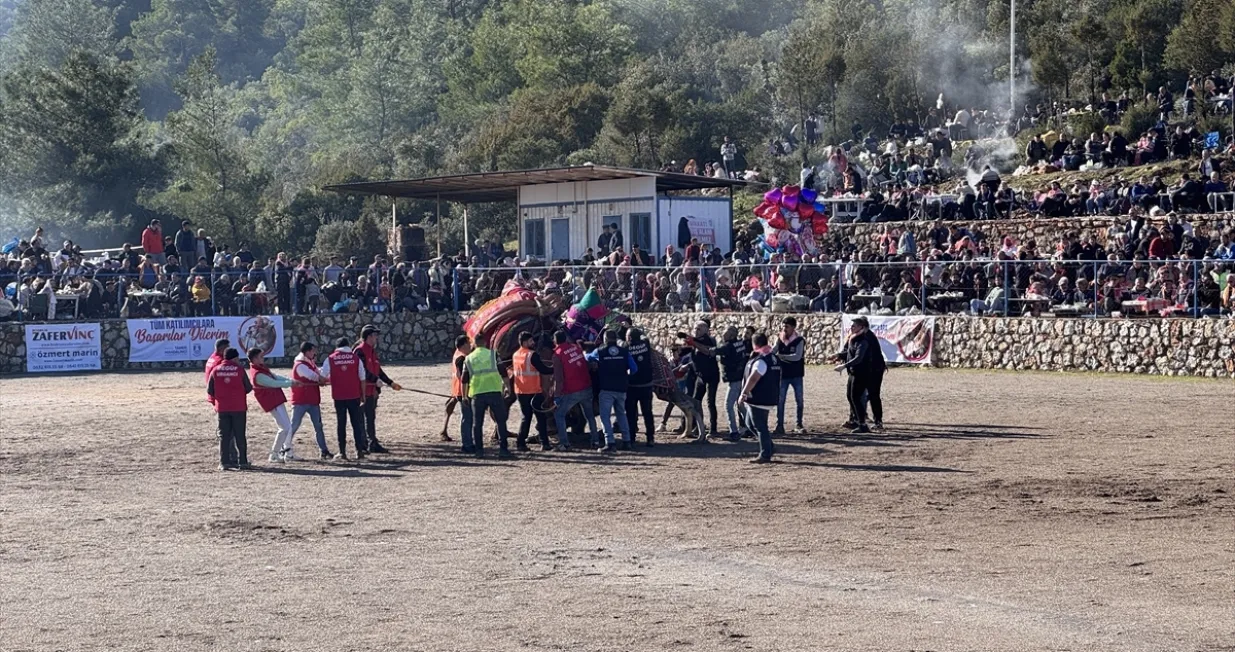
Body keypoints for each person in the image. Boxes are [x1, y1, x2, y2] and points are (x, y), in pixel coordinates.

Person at [459, 332, 512, 458]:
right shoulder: (493, 354)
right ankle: (503, 450)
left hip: (477, 394)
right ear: (485, 342)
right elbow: (503, 372)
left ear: (475, 344)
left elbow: (464, 379)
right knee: (500, 421)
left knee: (477, 424)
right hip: (494, 391)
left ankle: (479, 451)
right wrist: (508, 387)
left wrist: (464, 396)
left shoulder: (469, 358)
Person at [354, 325, 402, 454]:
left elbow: (378, 370)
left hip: (372, 392)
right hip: (362, 391)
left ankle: (372, 442)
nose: (377, 338)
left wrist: (390, 383)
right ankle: (362, 444)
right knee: (360, 419)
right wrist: (375, 380)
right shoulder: (359, 351)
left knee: (370, 418)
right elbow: (362, 370)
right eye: (375, 335)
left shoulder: (372, 351)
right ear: (369, 336)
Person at [834, 317, 887, 433]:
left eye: (855, 325)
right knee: (853, 395)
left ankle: (876, 422)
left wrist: (844, 366)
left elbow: (863, 357)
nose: (852, 327)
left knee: (871, 395)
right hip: (859, 370)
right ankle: (856, 420)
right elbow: (849, 352)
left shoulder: (867, 338)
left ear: (862, 327)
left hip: (873, 370)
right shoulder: (854, 337)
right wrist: (839, 355)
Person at [588, 329, 637, 452]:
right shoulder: (625, 352)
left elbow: (587, 358)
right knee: (621, 414)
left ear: (604, 339)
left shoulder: (599, 351)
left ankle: (610, 443)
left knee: (605, 416)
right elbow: (634, 369)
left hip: (606, 389)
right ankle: (627, 441)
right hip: (622, 389)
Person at [551, 330, 601, 451]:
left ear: (555, 341)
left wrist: (557, 396)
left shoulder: (557, 354)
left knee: (559, 414)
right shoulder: (575, 348)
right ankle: (595, 441)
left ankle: (564, 444)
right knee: (589, 416)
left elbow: (559, 379)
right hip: (586, 387)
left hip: (572, 391)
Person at [737, 333, 781, 464]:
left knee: (760, 426)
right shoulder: (772, 356)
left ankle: (765, 454)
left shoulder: (761, 359)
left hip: (760, 398)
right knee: (750, 423)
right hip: (767, 396)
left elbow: (754, 377)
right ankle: (769, 446)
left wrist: (744, 393)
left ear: (754, 344)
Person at [206, 347, 253, 470]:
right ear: (235, 358)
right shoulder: (240, 370)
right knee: (240, 435)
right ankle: (242, 462)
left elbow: (209, 390)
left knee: (224, 436)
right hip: (239, 407)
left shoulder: (215, 370)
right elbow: (248, 388)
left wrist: (221, 397)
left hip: (222, 408)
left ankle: (224, 462)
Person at [320, 337, 367, 460]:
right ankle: (359, 451)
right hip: (354, 395)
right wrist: (363, 395)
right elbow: (362, 378)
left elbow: (322, 376)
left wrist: (323, 381)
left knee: (341, 424)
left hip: (339, 396)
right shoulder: (355, 358)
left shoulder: (330, 358)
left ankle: (342, 452)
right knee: (356, 424)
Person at [248, 348, 296, 462]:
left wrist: (290, 381)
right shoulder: (258, 374)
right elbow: (273, 383)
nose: (263, 358)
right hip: (272, 402)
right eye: (260, 357)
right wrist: (291, 383)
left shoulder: (261, 369)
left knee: (286, 426)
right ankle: (275, 454)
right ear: (254, 359)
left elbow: (275, 377)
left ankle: (283, 452)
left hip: (276, 400)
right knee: (284, 427)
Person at [511, 331, 554, 452]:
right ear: (524, 342)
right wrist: (556, 368)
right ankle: (544, 443)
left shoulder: (516, 354)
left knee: (526, 417)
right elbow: (543, 369)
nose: (533, 343)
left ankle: (520, 442)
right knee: (541, 417)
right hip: (534, 391)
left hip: (520, 391)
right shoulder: (532, 355)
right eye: (530, 341)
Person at [289, 341, 332, 460]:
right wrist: (325, 380)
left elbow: (317, 374)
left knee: (318, 426)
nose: (314, 353)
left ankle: (323, 450)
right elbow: (314, 376)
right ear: (307, 352)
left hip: (312, 400)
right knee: (294, 426)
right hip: (300, 400)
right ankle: (285, 448)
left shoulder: (309, 362)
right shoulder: (300, 365)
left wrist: (324, 379)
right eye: (312, 350)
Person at [686, 321, 720, 441]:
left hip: (712, 375)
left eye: (699, 329)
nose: (696, 330)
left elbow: (706, 351)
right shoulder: (695, 340)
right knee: (695, 401)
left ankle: (713, 429)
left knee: (711, 402)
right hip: (700, 376)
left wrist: (693, 343)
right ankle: (698, 426)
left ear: (706, 330)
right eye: (695, 328)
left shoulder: (709, 340)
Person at [715, 326, 751, 440]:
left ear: (731, 335)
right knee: (740, 405)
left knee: (728, 405)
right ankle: (752, 426)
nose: (722, 335)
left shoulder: (729, 346)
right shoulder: (739, 343)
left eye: (725, 334)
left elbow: (716, 351)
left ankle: (734, 432)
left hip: (735, 379)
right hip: (740, 377)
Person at [623, 328, 656, 447]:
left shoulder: (625, 348)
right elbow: (645, 336)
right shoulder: (645, 344)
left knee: (631, 413)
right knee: (647, 412)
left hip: (631, 386)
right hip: (646, 385)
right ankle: (650, 438)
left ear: (629, 338)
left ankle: (631, 438)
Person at [775, 316, 806, 434]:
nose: (784, 329)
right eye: (783, 326)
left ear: (793, 327)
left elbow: (797, 357)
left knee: (799, 400)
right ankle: (779, 426)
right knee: (780, 400)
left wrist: (781, 356)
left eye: (786, 326)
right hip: (783, 375)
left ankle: (799, 424)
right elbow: (774, 350)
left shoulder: (799, 340)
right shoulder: (780, 338)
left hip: (797, 375)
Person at [439, 335, 472, 444]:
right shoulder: (462, 357)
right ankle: (468, 442)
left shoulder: (457, 353)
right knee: (468, 417)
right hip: (464, 389)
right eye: (468, 343)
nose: (470, 345)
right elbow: (462, 376)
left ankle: (444, 430)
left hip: (456, 388)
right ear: (464, 345)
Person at [204, 338, 229, 408]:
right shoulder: (220, 361)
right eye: (227, 348)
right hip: (219, 395)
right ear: (222, 349)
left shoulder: (212, 357)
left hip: (213, 393)